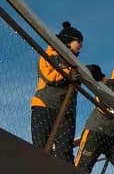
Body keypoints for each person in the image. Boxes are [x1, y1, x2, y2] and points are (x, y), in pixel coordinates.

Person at [30, 21, 84, 161]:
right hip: (45, 106)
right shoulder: (48, 55)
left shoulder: (75, 66)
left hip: (66, 111)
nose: (81, 46)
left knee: (64, 151)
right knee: (40, 149)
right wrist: (69, 73)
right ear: (68, 41)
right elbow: (49, 76)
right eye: (78, 42)